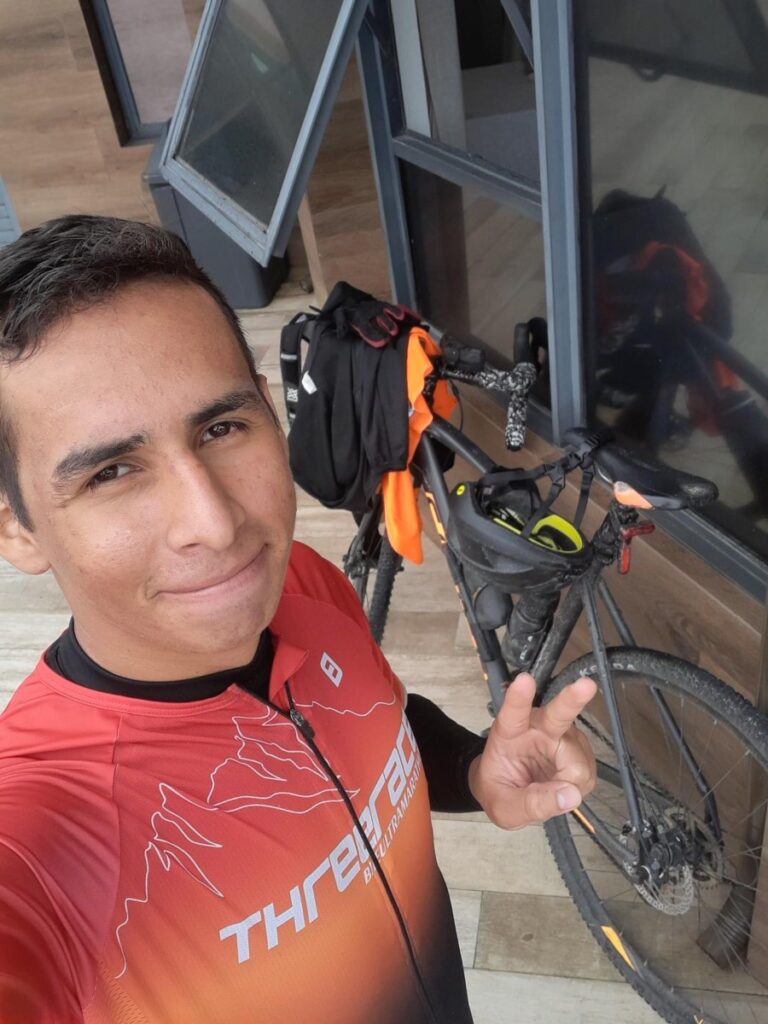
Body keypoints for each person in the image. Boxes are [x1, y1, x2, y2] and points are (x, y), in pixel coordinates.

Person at [0, 216, 596, 1024]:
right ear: (17, 529)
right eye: (111, 472)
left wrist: (473, 769)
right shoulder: (43, 835)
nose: (216, 524)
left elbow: (377, 724)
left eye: (221, 428)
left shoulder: (301, 583)